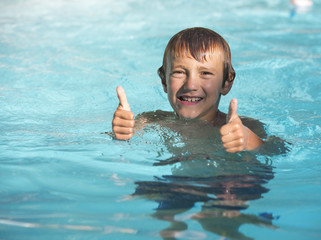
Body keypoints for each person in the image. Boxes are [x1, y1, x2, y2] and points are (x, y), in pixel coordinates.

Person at [112, 27, 266, 153]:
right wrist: (120, 133)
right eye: (179, 72)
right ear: (164, 81)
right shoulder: (150, 121)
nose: (190, 85)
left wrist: (249, 141)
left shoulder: (247, 127)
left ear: (226, 83)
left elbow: (276, 150)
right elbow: (118, 143)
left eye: (205, 73)